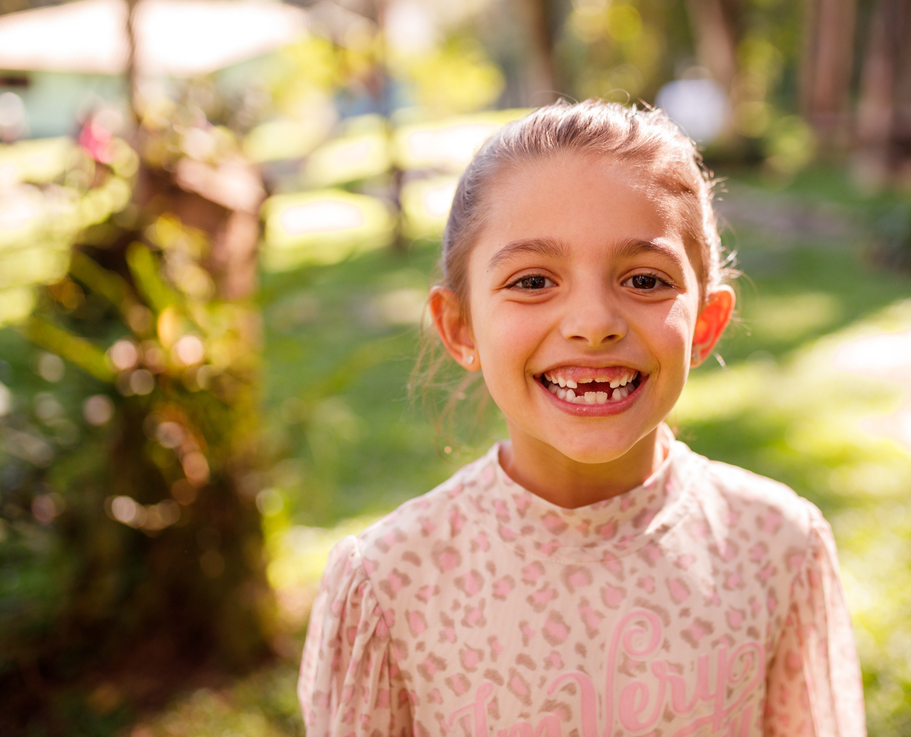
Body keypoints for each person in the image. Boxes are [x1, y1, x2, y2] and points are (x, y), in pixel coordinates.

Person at [298, 100, 866, 736]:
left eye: (645, 281)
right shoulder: (389, 582)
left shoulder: (777, 546)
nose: (593, 323)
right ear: (461, 329)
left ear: (706, 323)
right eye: (534, 281)